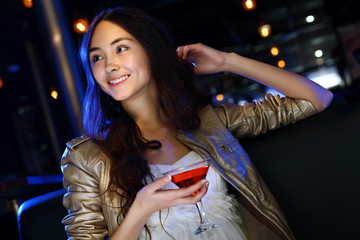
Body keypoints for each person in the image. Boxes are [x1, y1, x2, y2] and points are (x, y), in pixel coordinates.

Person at [60, 6, 333, 240]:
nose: (109, 65)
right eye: (97, 57)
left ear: (152, 52)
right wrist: (141, 209)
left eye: (120, 48)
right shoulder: (86, 156)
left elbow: (317, 98)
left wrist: (228, 61)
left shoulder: (209, 123)